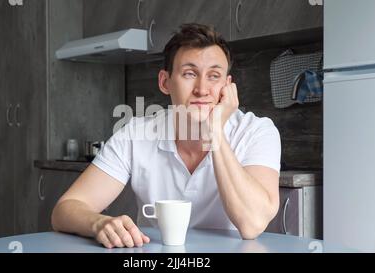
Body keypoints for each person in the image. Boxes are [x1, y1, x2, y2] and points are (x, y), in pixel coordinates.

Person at [51, 23, 281, 249]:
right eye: (189, 73)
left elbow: (252, 225)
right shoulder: (136, 133)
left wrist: (215, 132)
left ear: (227, 86)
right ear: (165, 82)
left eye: (214, 76)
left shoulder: (257, 131)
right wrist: (99, 223)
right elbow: (65, 210)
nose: (202, 89)